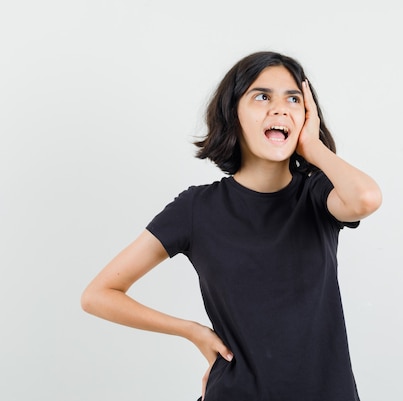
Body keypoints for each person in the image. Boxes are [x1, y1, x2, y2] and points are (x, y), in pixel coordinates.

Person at [81, 51, 382, 400]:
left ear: (307, 115)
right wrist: (191, 331)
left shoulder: (318, 195)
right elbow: (98, 295)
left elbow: (367, 199)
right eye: (262, 96)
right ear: (233, 113)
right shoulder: (196, 209)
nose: (280, 108)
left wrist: (312, 147)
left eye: (293, 99)